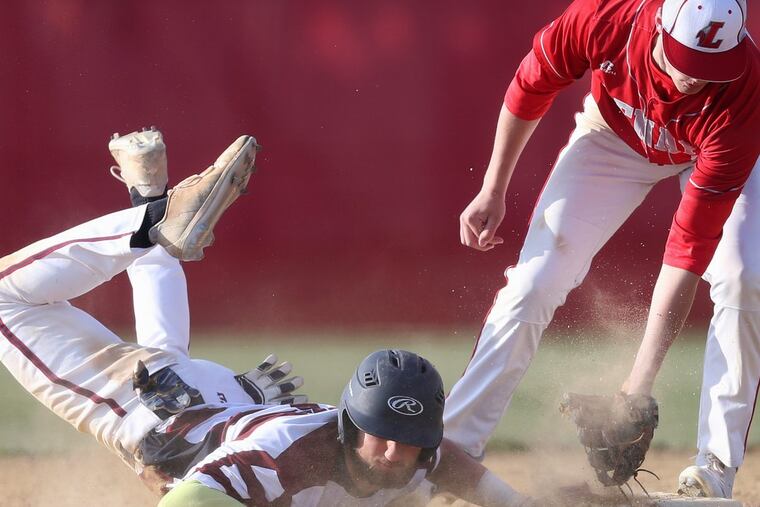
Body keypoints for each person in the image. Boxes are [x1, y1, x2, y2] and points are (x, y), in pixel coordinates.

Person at [0, 134, 529, 506]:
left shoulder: (402, 449)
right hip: (159, 411)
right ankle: (153, 219)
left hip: (220, 405)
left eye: (408, 439)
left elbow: (450, 464)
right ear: (350, 426)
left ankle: (151, 207)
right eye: (384, 435)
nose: (394, 452)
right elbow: (184, 501)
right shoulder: (277, 462)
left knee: (164, 357)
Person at [443, 0, 759, 499]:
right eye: (688, 59)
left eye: (711, 65)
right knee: (535, 280)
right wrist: (493, 187)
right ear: (658, 25)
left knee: (745, 274)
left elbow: (688, 249)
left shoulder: (741, 89)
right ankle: (453, 449)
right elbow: (532, 85)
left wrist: (637, 385)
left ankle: (714, 468)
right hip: (614, 136)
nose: (698, 78)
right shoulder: (605, 17)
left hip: (708, 152)